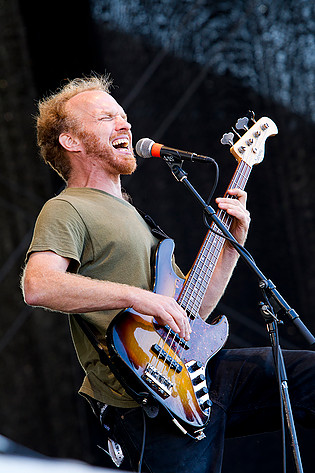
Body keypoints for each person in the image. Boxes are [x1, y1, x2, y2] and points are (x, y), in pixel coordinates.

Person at [22, 75, 315, 473]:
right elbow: (39, 285)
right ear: (71, 141)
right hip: (145, 399)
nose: (125, 125)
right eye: (107, 117)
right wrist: (137, 296)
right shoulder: (67, 208)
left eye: (124, 117)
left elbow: (191, 315)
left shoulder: (134, 215)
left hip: (197, 375)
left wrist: (230, 247)